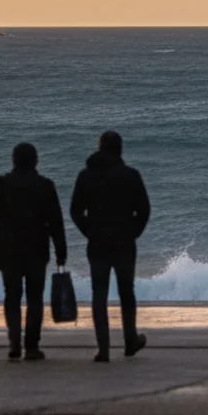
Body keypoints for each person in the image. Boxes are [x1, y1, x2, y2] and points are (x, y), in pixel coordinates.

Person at [0, 143, 69, 362]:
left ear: (13, 160)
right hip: (37, 248)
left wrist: (4, 216)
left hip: (8, 248)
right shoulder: (45, 186)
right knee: (34, 297)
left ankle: (14, 342)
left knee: (12, 295)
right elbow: (56, 221)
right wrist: (61, 250)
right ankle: (31, 346)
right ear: (35, 161)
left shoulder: (1, 184)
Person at [70, 131, 151, 363]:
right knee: (127, 292)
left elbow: (75, 210)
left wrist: (89, 230)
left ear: (100, 148)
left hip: (97, 242)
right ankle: (130, 341)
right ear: (120, 149)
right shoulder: (131, 175)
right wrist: (133, 232)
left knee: (99, 293)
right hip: (125, 242)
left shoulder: (86, 176)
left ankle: (103, 349)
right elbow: (144, 210)